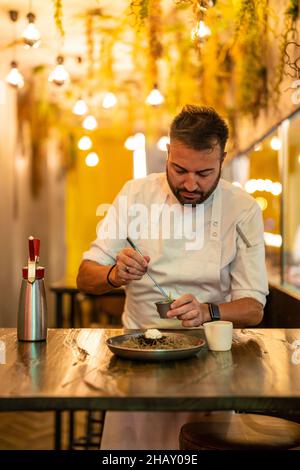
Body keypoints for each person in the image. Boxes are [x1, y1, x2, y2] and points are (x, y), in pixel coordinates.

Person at [76, 105, 269, 449]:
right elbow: (84, 278)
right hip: (137, 358)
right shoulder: (135, 194)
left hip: (212, 363)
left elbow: (254, 307)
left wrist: (208, 311)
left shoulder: (242, 208)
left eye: (204, 173)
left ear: (223, 159)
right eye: (180, 169)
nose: (190, 183)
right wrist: (114, 273)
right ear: (167, 151)